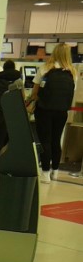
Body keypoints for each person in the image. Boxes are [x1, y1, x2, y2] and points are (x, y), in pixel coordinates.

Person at [25, 42, 79, 184]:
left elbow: (35, 93)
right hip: (61, 111)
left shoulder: (45, 69)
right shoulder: (72, 72)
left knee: (45, 141)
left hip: (44, 110)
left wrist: (30, 101)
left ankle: (45, 173)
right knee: (56, 140)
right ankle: (55, 171)